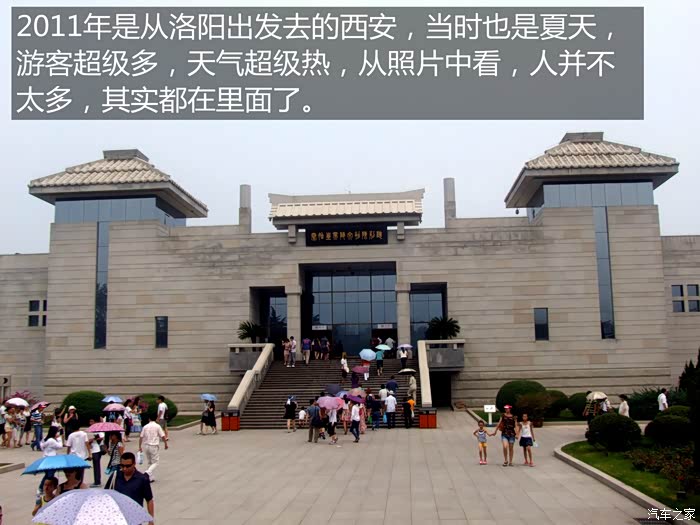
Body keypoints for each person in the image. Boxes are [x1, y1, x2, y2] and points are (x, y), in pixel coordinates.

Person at [108, 452, 155, 525]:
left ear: (134, 464)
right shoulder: (115, 476)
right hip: (118, 517)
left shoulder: (142, 479)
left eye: (128, 466)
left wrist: (151, 520)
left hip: (135, 519)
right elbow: (107, 494)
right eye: (122, 466)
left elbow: (149, 500)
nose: (124, 468)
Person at [139, 414, 168, 482]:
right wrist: (165, 444)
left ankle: (150, 477)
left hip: (146, 445)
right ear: (156, 419)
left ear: (149, 419)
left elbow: (141, 437)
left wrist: (139, 446)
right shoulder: (157, 426)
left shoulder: (145, 426)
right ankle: (147, 472)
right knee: (155, 462)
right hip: (154, 445)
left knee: (149, 462)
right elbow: (163, 436)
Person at [88, 418, 104, 487]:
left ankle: (97, 482)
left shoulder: (98, 430)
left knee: (97, 466)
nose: (90, 423)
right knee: (95, 466)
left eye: (92, 421)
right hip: (93, 450)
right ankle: (96, 480)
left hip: (97, 450)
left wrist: (94, 438)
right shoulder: (90, 431)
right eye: (90, 421)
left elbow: (102, 437)